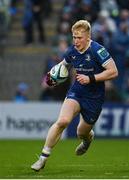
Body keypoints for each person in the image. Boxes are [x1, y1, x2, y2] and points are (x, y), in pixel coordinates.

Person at [31, 20, 118, 171]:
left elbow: (114, 71)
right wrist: (52, 77)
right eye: (74, 37)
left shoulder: (98, 51)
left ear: (88, 37)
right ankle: (42, 158)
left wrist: (91, 78)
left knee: (81, 132)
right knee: (63, 121)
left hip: (94, 97)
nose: (76, 41)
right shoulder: (71, 51)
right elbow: (64, 65)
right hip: (77, 91)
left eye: (79, 38)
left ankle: (87, 140)